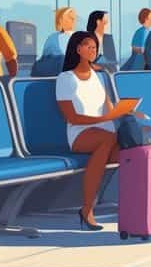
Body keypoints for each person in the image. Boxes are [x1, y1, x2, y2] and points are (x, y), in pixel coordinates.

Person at [56, 30, 142, 231]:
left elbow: (109, 109)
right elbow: (72, 117)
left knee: (128, 153)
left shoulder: (97, 76)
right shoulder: (66, 78)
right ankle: (87, 208)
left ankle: (137, 207)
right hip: (80, 133)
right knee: (105, 141)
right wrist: (101, 119)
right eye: (88, 46)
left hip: (105, 133)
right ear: (77, 49)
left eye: (95, 47)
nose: (93, 50)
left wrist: (128, 112)